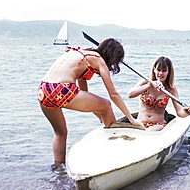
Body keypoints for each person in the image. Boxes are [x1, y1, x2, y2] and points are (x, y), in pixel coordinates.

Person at [38, 38, 141, 167]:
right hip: (61, 89)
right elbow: (113, 94)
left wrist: (100, 116)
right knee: (106, 105)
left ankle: (59, 171)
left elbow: (84, 96)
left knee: (60, 132)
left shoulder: (81, 54)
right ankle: (114, 150)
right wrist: (131, 119)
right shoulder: (98, 60)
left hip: (43, 90)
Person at [127, 56, 190, 131]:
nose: (160, 73)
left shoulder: (171, 88)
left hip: (158, 125)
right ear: (154, 69)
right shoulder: (146, 82)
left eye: (164, 71)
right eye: (158, 70)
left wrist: (186, 112)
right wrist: (149, 85)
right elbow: (130, 95)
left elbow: (179, 112)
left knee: (149, 131)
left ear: (169, 72)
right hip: (140, 123)